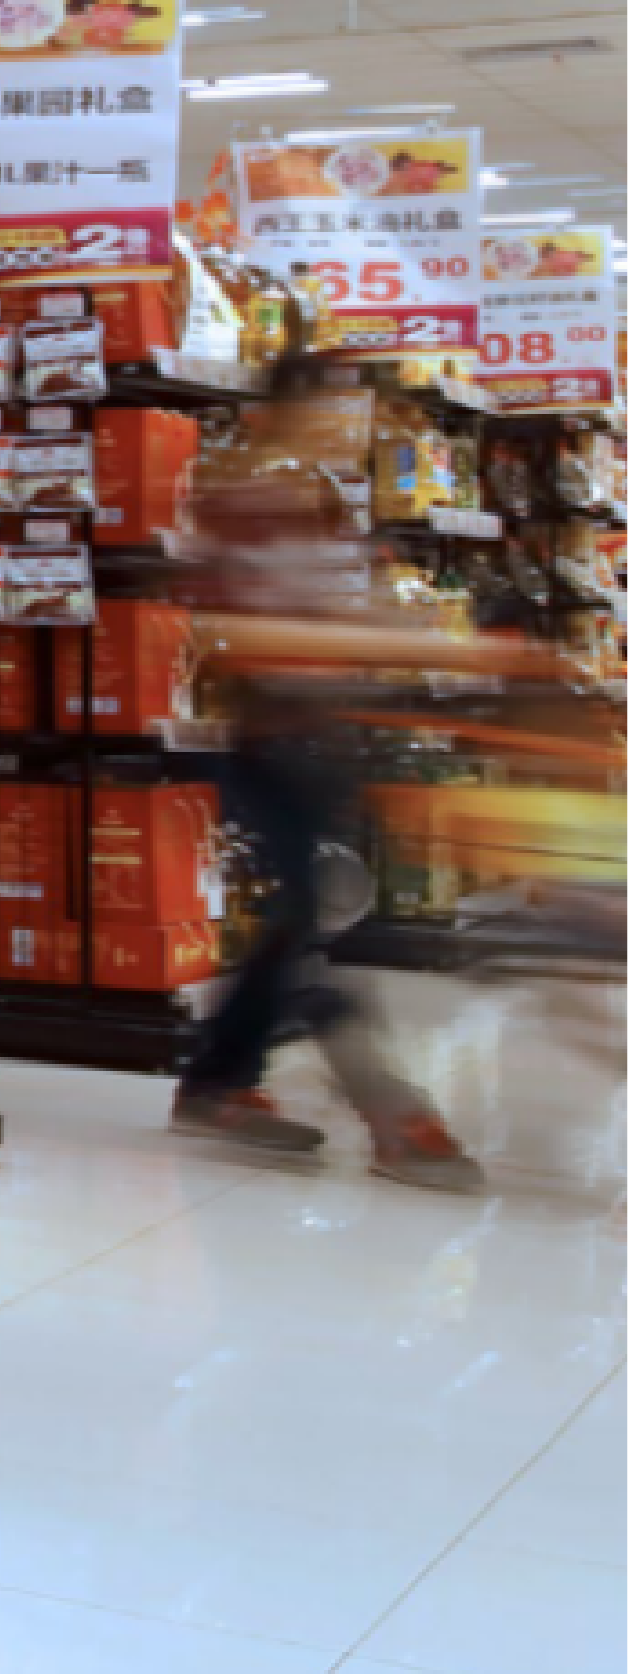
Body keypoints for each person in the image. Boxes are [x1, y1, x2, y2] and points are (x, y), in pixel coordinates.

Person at [173, 370, 499, 1190]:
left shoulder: (320, 501)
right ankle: (376, 1103)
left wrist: (418, 644)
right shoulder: (243, 501)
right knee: (299, 913)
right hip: (263, 739)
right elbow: (241, 629)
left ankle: (218, 1078)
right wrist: (365, 647)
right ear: (280, 411)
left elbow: (345, 609)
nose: (343, 422)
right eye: (327, 407)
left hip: (323, 739)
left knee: (308, 913)